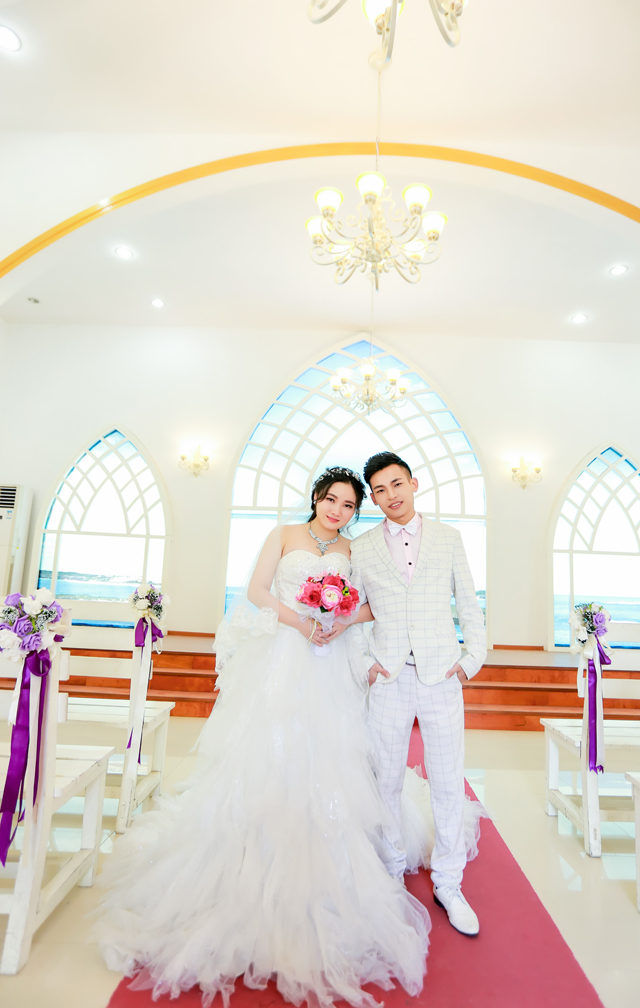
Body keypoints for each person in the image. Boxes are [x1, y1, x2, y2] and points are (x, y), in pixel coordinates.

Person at [92, 466, 431, 1008]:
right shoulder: (284, 534)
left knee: (333, 753)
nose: (338, 511)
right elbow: (255, 590)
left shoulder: (355, 548)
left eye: (348, 505)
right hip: (285, 651)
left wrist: (342, 618)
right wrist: (301, 621)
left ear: (355, 512)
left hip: (332, 656)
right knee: (271, 743)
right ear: (316, 498)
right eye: (331, 500)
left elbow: (377, 602)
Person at [344, 451, 487, 937]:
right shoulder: (362, 547)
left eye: (397, 484)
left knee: (447, 781)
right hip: (389, 678)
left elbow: (469, 603)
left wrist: (470, 661)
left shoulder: (449, 538)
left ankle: (449, 883)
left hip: (441, 675)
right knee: (385, 780)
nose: (391, 496)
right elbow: (352, 613)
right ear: (373, 498)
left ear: (413, 483)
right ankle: (390, 871)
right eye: (380, 490)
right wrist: (366, 664)